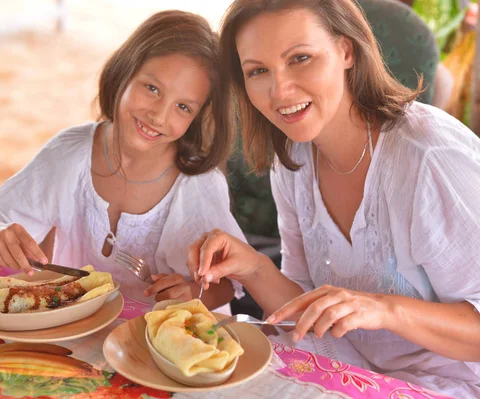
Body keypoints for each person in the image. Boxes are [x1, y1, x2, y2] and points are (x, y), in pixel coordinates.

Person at [188, 0, 480, 396]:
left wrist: (384, 309)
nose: (279, 90)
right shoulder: (293, 160)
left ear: (346, 50)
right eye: (258, 71)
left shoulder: (430, 158)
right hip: (343, 366)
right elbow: (309, 311)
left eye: (300, 58)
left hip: (447, 384)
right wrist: (254, 268)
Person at [0, 10, 245, 310]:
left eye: (183, 107)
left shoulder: (199, 186)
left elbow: (230, 285)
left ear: (198, 117)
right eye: (152, 89)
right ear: (125, 71)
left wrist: (192, 292)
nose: (159, 115)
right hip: (73, 332)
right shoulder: (69, 154)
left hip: (163, 346)